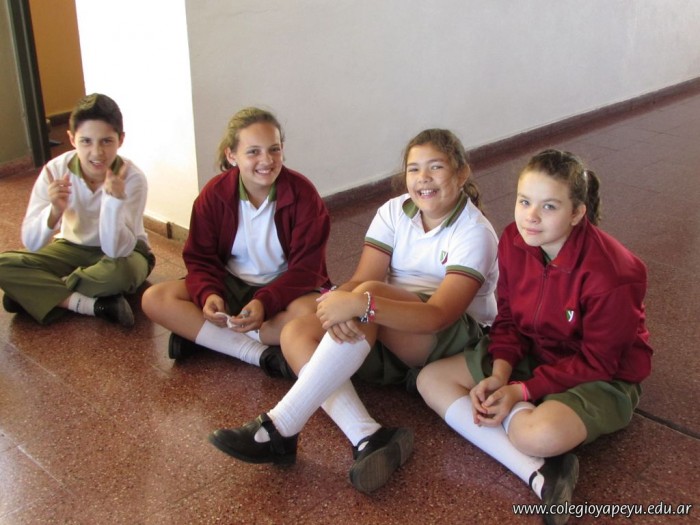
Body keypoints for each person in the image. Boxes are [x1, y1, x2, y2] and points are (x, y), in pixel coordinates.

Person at [208, 129, 499, 494]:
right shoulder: (393, 211)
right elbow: (362, 279)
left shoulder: (474, 231)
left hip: (447, 339)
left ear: (461, 173)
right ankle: (368, 436)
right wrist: (334, 306)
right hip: (387, 328)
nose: (423, 178)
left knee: (367, 295)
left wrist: (361, 304)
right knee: (297, 331)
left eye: (435, 167)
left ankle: (281, 424)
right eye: (413, 169)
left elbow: (439, 314)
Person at [417, 149, 653, 525]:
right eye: (524, 201)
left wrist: (520, 391)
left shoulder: (614, 274)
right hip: (534, 350)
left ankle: (534, 451)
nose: (531, 216)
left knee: (537, 436)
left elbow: (599, 361)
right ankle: (538, 467)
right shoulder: (514, 240)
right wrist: (500, 374)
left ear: (577, 213)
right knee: (431, 379)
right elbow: (508, 320)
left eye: (549, 206)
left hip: (599, 375)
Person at [141, 107, 331, 377]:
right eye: (253, 152)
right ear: (232, 155)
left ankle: (208, 337)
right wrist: (209, 294)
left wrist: (265, 302)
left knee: (316, 314)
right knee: (155, 299)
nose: (266, 160)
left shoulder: (304, 195)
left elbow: (308, 270)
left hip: (284, 289)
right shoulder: (214, 195)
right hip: (230, 285)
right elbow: (200, 258)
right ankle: (260, 353)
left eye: (274, 149)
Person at [0, 93, 154, 327]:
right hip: (71, 247)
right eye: (86, 141)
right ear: (72, 139)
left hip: (125, 253)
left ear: (120, 139)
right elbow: (31, 242)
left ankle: (37, 293)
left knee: (119, 275)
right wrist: (54, 211)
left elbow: (115, 249)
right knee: (3, 265)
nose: (97, 153)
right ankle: (90, 305)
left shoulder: (132, 178)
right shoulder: (55, 170)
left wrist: (113, 201)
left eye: (106, 141)